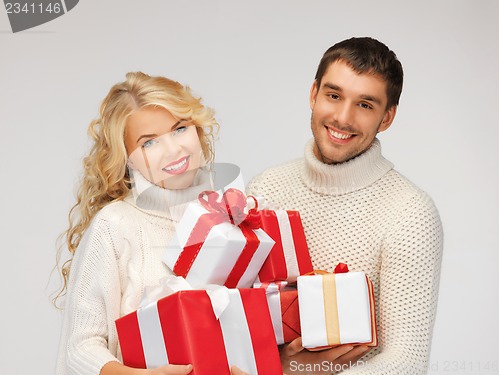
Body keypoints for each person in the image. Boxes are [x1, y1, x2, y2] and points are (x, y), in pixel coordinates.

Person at [246, 37, 443, 374]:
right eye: (333, 95)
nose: (342, 117)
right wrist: (279, 367)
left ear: (387, 118)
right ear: (313, 94)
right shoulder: (266, 188)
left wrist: (296, 372)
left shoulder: (410, 212)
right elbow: (233, 317)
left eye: (365, 104)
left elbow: (406, 361)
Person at [54, 72, 248, 375]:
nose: (174, 150)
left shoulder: (231, 215)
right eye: (149, 143)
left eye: (180, 128)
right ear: (127, 158)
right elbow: (80, 348)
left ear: (198, 130)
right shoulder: (115, 224)